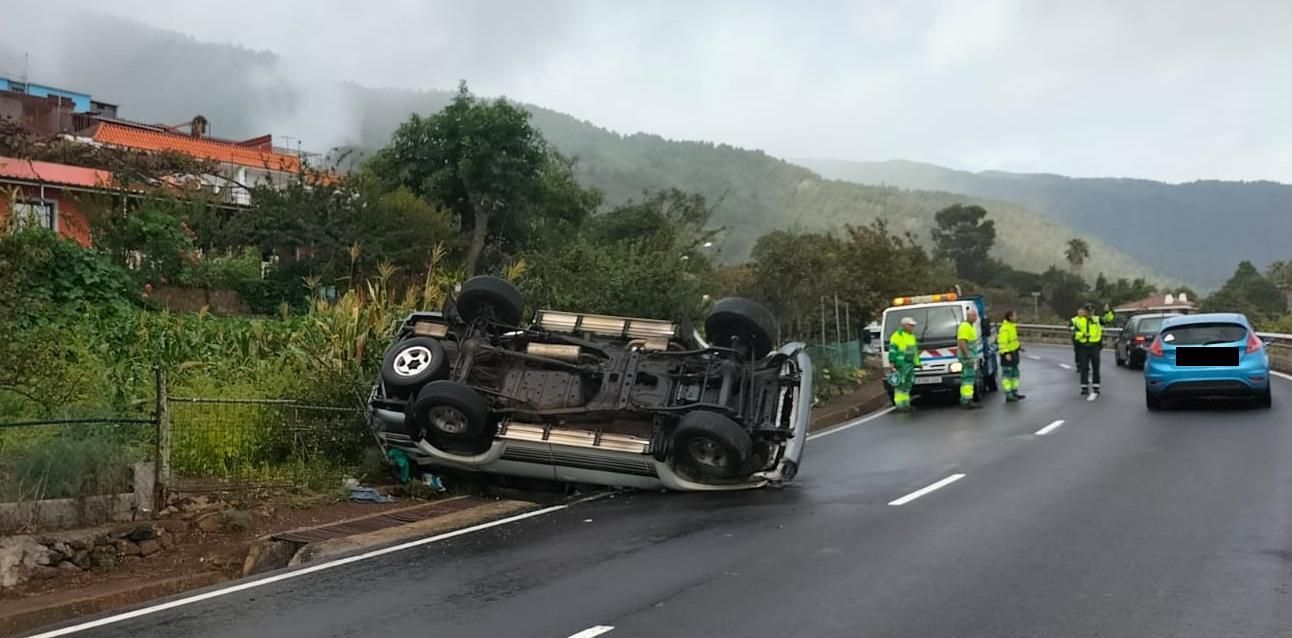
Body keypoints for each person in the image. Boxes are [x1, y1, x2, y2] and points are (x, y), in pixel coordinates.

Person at [1070, 302, 1115, 395]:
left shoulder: (1097, 319)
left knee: (1096, 367)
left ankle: (1096, 386)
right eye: (1088, 311)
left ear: (1094, 311)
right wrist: (1082, 334)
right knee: (1084, 368)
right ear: (1084, 311)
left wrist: (1108, 312)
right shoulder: (1077, 321)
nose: (1090, 313)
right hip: (1083, 346)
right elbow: (1073, 332)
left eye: (1091, 311)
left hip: (1095, 346)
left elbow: (1108, 320)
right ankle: (1084, 387)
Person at [887, 316, 921, 413]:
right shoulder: (897, 336)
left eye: (912, 326)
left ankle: (906, 404)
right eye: (910, 325)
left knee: (908, 385)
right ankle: (900, 405)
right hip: (901, 364)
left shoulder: (912, 336)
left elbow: (914, 351)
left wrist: (918, 363)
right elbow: (893, 350)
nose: (912, 327)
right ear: (904, 325)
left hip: (909, 365)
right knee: (900, 385)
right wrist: (892, 363)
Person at [997, 309, 1026, 402]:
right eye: (1014, 315)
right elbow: (1002, 342)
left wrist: (1019, 347)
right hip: (1008, 355)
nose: (1016, 317)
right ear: (1010, 317)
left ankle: (1014, 392)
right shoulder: (1005, 328)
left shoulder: (1012, 327)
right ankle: (1008, 394)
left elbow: (1014, 340)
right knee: (1007, 375)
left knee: (1015, 374)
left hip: (1014, 353)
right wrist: (1006, 353)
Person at [957, 308, 983, 410]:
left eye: (976, 316)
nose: (976, 318)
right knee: (968, 378)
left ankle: (965, 399)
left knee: (966, 379)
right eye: (974, 316)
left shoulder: (970, 326)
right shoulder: (965, 326)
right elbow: (962, 342)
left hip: (970, 356)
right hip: (967, 357)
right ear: (968, 316)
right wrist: (967, 355)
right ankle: (967, 401)